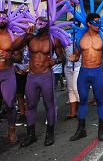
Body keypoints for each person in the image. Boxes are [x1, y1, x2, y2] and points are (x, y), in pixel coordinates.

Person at [11, 16, 65, 147]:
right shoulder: (30, 38)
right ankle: (31, 135)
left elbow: (62, 57)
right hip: (32, 76)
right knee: (31, 105)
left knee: (49, 104)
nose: (38, 25)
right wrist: (26, 34)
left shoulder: (53, 39)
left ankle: (50, 134)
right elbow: (13, 47)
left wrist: (56, 61)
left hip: (47, 75)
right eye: (37, 23)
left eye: (41, 23)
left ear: (47, 25)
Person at [69, 13, 103, 142]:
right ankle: (81, 130)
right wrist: (74, 58)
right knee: (82, 100)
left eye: (100, 22)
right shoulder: (79, 39)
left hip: (98, 72)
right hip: (84, 72)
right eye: (95, 22)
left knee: (99, 100)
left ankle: (101, 130)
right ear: (88, 23)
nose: (98, 25)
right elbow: (77, 55)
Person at [0, 11, 23, 144]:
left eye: (4, 18)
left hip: (7, 73)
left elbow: (19, 58)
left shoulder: (13, 37)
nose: (1, 20)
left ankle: (11, 130)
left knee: (9, 104)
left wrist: (11, 57)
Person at [64, 20, 81, 120]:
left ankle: (81, 108)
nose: (70, 27)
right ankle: (73, 112)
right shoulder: (65, 36)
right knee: (70, 89)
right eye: (69, 26)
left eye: (73, 25)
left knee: (75, 88)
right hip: (68, 65)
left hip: (78, 65)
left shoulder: (81, 36)